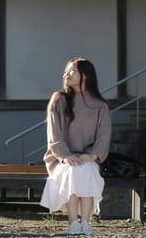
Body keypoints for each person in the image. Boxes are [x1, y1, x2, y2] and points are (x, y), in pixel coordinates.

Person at [40, 57, 112, 235]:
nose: (66, 73)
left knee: (86, 169)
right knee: (73, 170)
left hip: (89, 158)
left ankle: (85, 223)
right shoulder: (58, 99)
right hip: (61, 159)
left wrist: (93, 155)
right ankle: (73, 223)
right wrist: (65, 155)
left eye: (72, 70)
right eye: (66, 70)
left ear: (85, 76)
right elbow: (53, 134)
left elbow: (104, 135)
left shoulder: (101, 106)